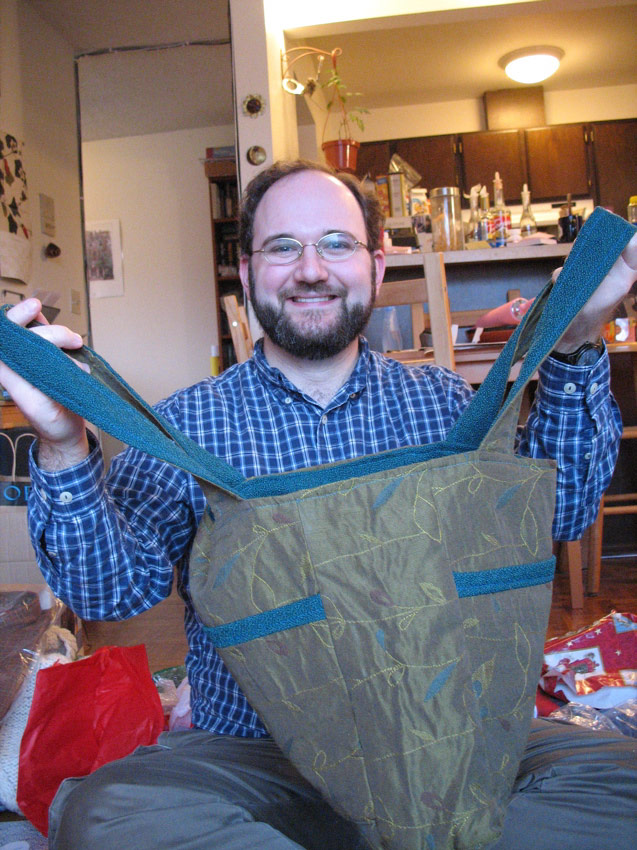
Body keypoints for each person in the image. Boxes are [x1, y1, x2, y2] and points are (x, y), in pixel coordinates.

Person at [1, 160, 636, 850]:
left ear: (375, 261)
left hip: (459, 740)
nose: (311, 269)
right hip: (258, 757)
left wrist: (572, 346)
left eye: (335, 243)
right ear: (246, 273)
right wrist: (64, 446)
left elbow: (562, 513)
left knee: (616, 780)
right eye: (282, 247)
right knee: (109, 814)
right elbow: (108, 593)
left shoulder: (450, 409)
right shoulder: (182, 427)